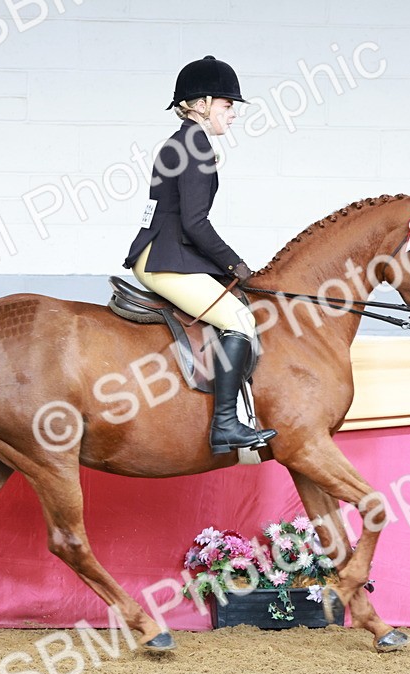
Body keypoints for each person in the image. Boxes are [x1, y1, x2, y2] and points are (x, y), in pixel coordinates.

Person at [121, 55, 278, 456]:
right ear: (203, 103)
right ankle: (225, 425)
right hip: (165, 258)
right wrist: (235, 265)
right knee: (240, 319)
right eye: (228, 106)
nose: (233, 115)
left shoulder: (184, 141)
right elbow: (194, 223)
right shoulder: (194, 145)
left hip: (167, 250)